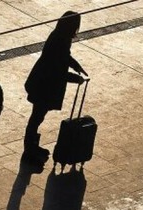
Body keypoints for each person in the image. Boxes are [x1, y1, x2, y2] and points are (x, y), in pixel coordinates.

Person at [23, 11, 88, 168]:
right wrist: (75, 78)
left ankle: (31, 147)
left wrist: (76, 66)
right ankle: (29, 151)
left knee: (37, 117)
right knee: (36, 118)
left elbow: (64, 58)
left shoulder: (58, 36)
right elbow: (57, 70)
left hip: (42, 82)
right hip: (45, 86)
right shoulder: (62, 40)